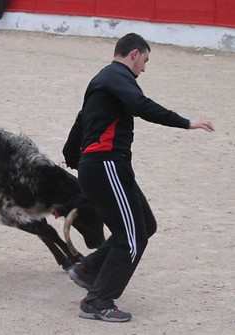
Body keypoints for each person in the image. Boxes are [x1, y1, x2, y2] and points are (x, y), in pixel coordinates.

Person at [62, 33, 214, 322]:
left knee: (145, 224)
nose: (144, 68)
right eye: (145, 60)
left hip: (105, 167)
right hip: (106, 166)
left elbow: (81, 120)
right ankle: (97, 301)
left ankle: (89, 269)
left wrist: (72, 157)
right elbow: (142, 106)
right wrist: (186, 123)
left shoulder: (103, 81)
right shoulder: (117, 76)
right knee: (131, 239)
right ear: (134, 54)